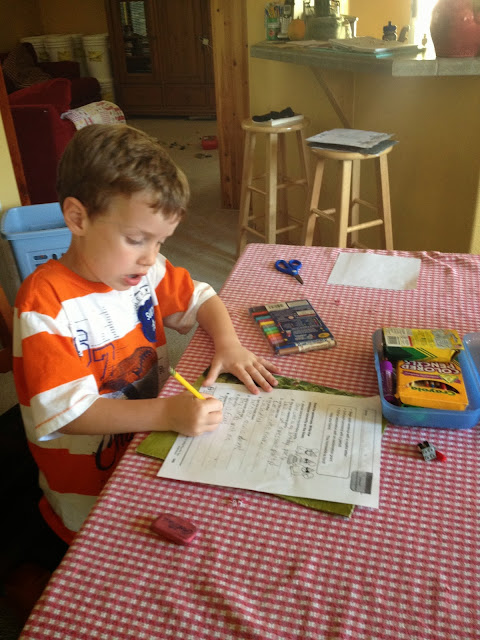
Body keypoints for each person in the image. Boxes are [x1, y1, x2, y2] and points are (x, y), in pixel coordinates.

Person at [13, 123, 280, 552]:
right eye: (136, 239)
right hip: (89, 497)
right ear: (78, 218)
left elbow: (202, 298)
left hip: (146, 448)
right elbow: (69, 415)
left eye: (160, 242)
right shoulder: (45, 303)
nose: (150, 257)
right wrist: (168, 413)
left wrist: (228, 344)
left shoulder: (144, 270)